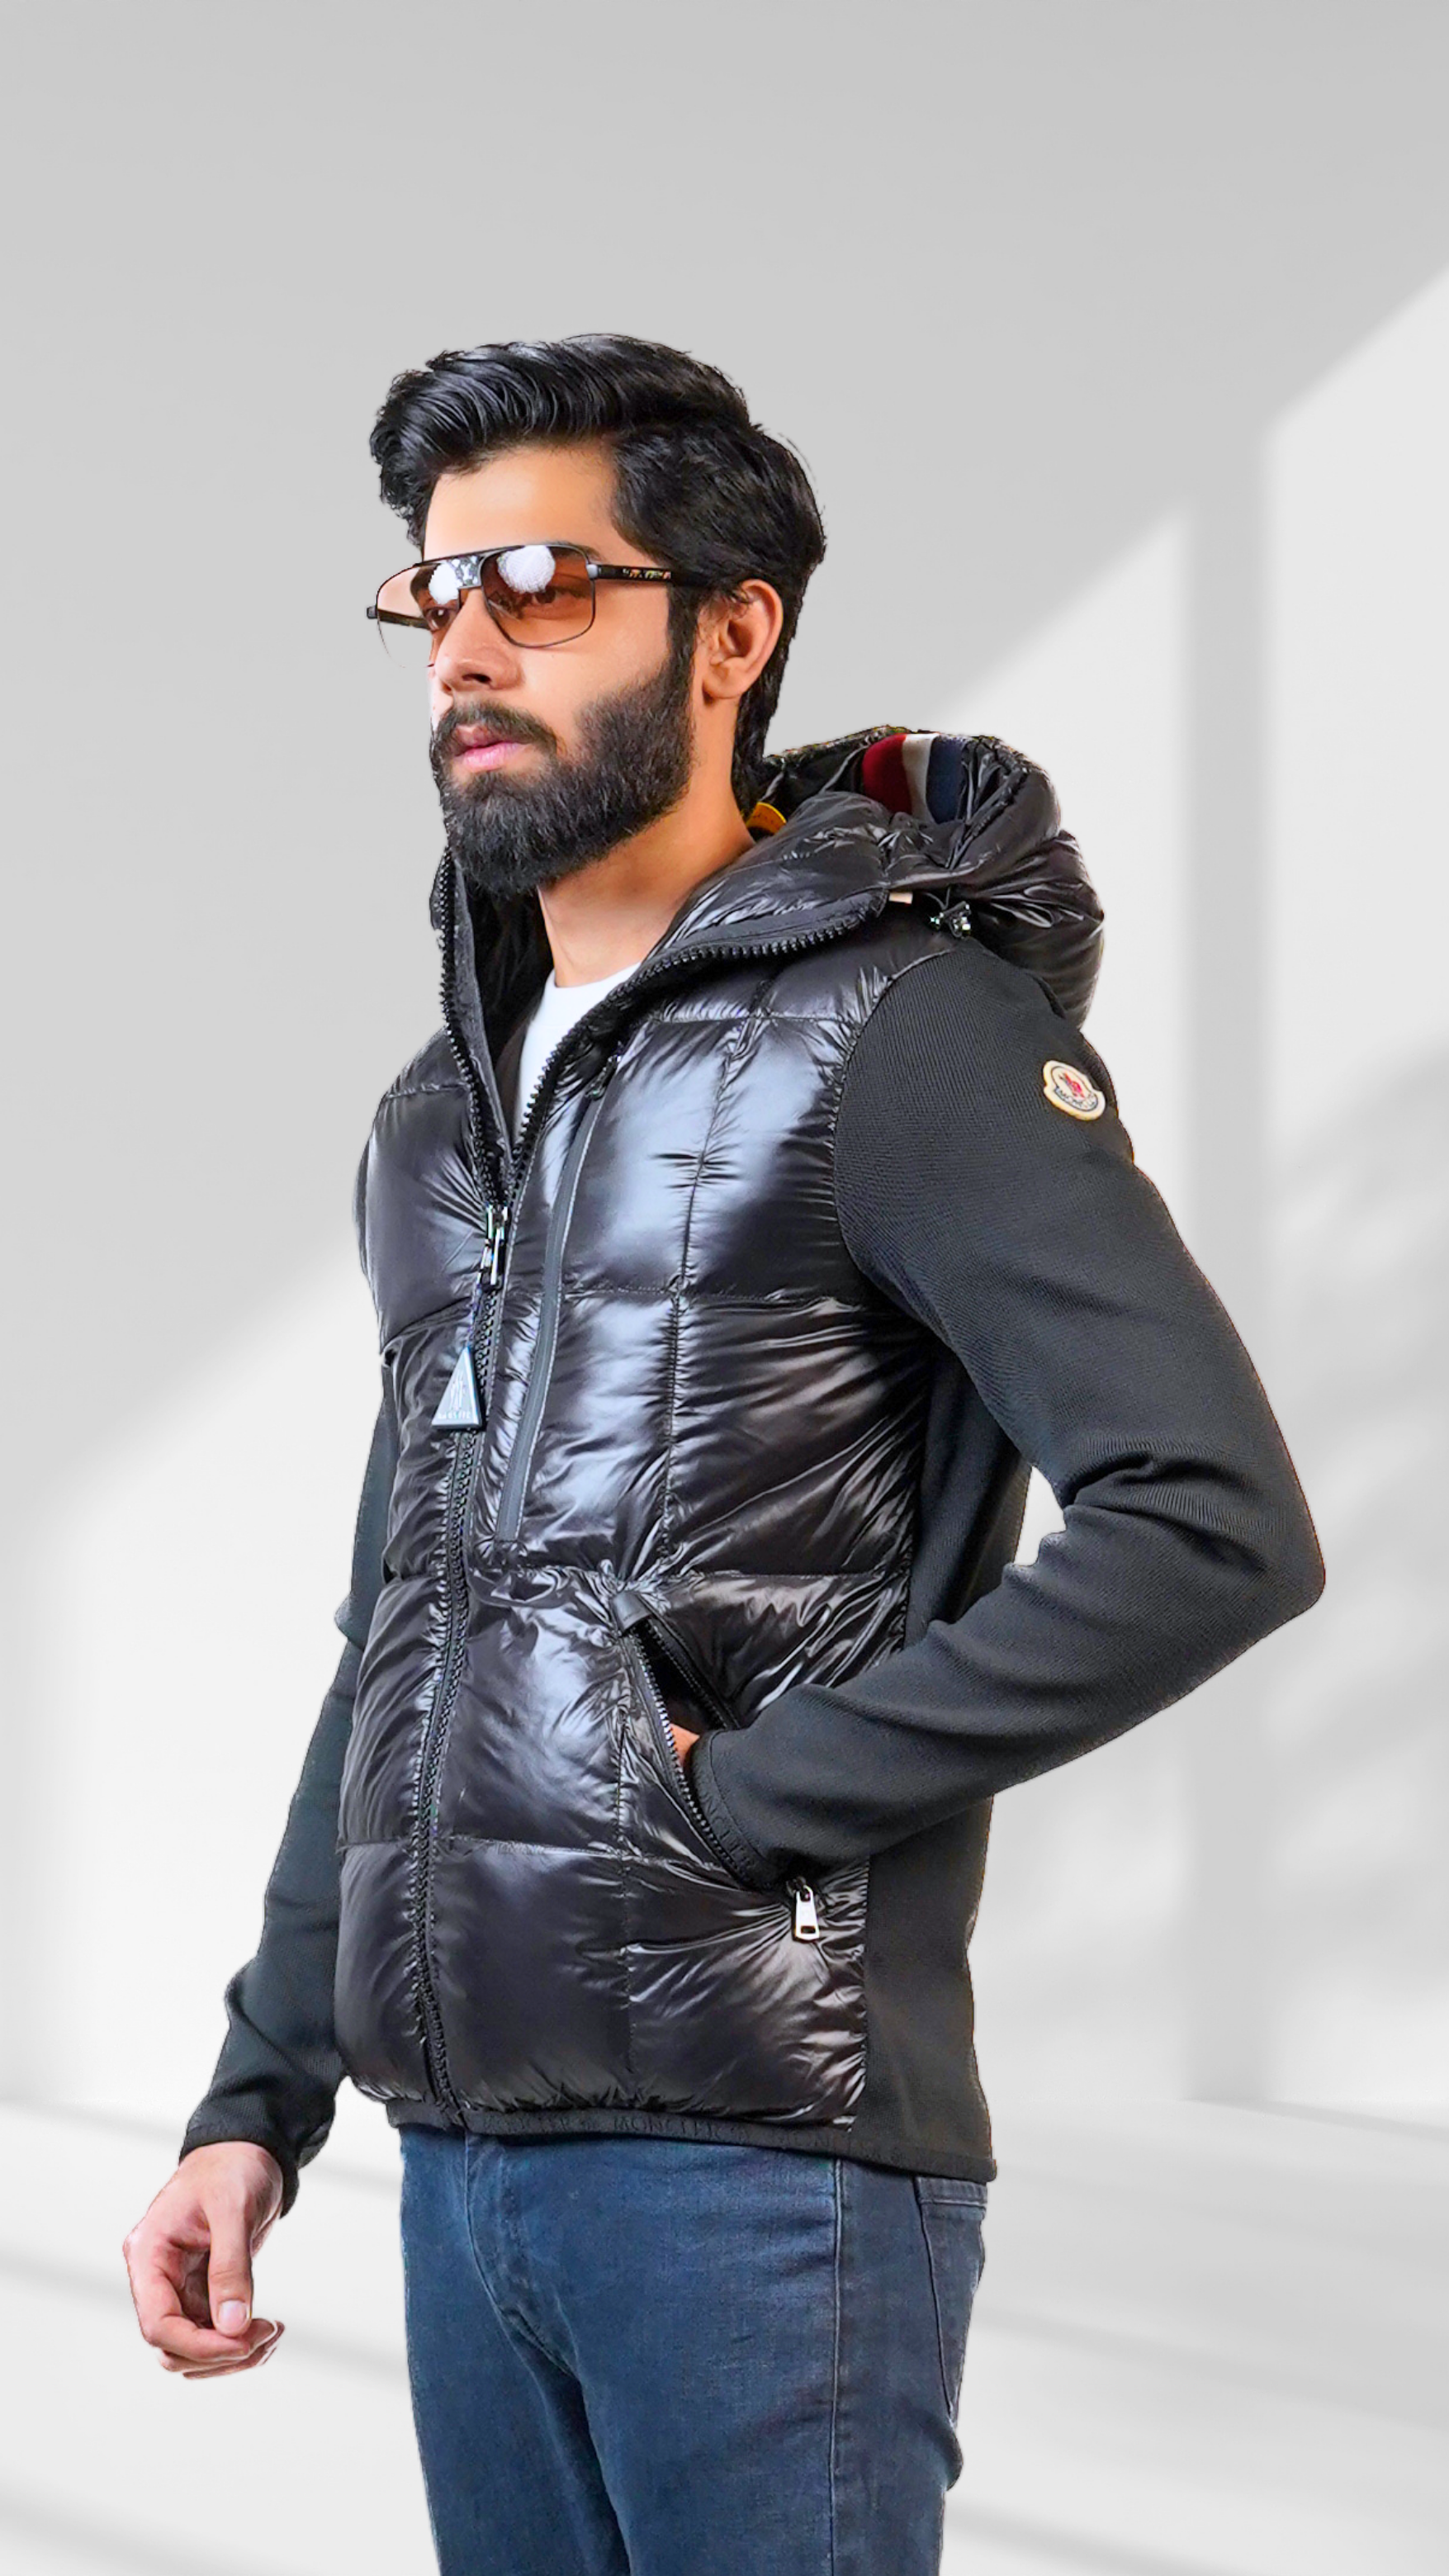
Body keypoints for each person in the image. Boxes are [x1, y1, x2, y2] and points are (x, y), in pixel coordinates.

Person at [121, 334, 1324, 2574]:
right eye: (435, 590)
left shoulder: (905, 1029)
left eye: (545, 583)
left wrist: (743, 1800)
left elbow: (1213, 1522)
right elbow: (401, 1632)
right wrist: (256, 2095)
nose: (467, 645)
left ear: (732, 629)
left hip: (761, 2172)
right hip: (463, 2166)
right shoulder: (443, 1114)